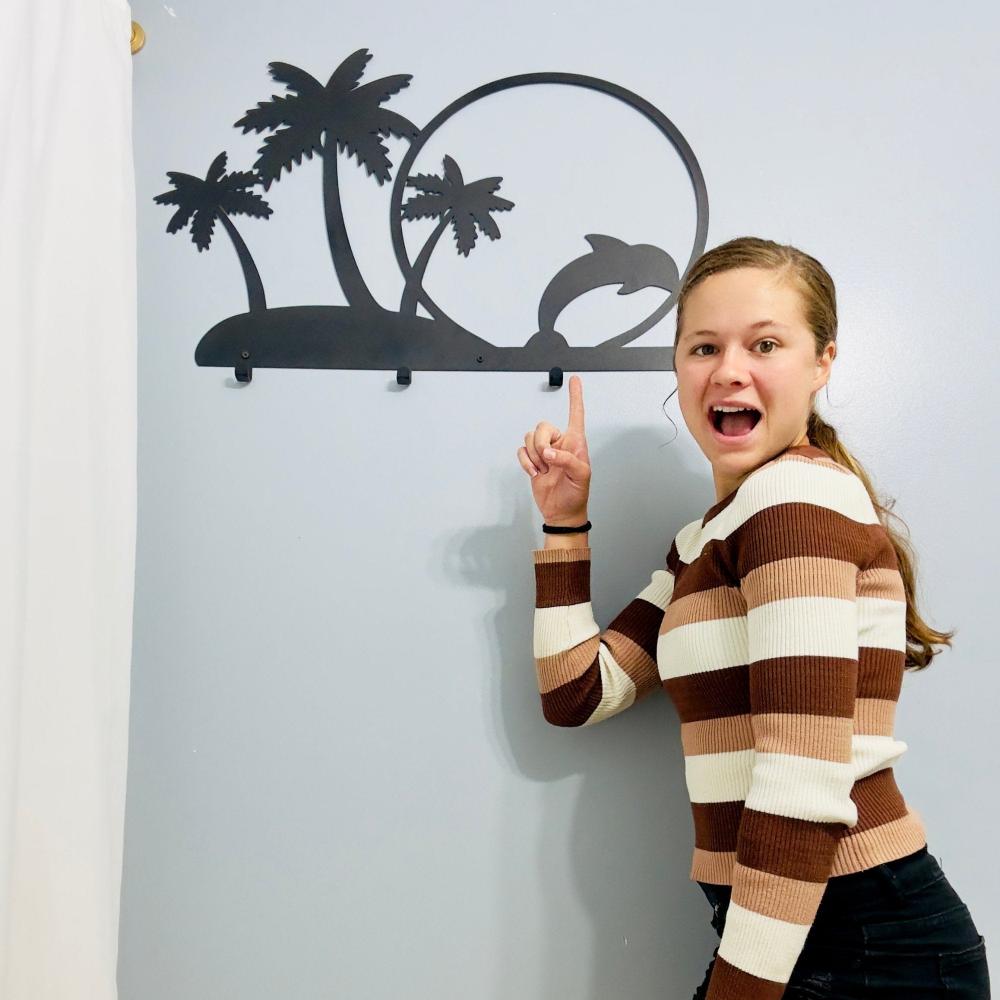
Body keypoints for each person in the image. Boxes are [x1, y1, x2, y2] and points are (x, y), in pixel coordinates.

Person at [516, 236, 990, 999]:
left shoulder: (795, 503)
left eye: (765, 343)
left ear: (822, 363)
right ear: (678, 368)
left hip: (863, 939)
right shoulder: (707, 539)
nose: (729, 368)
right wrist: (566, 525)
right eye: (704, 346)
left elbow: (802, 780)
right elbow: (577, 692)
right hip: (789, 923)